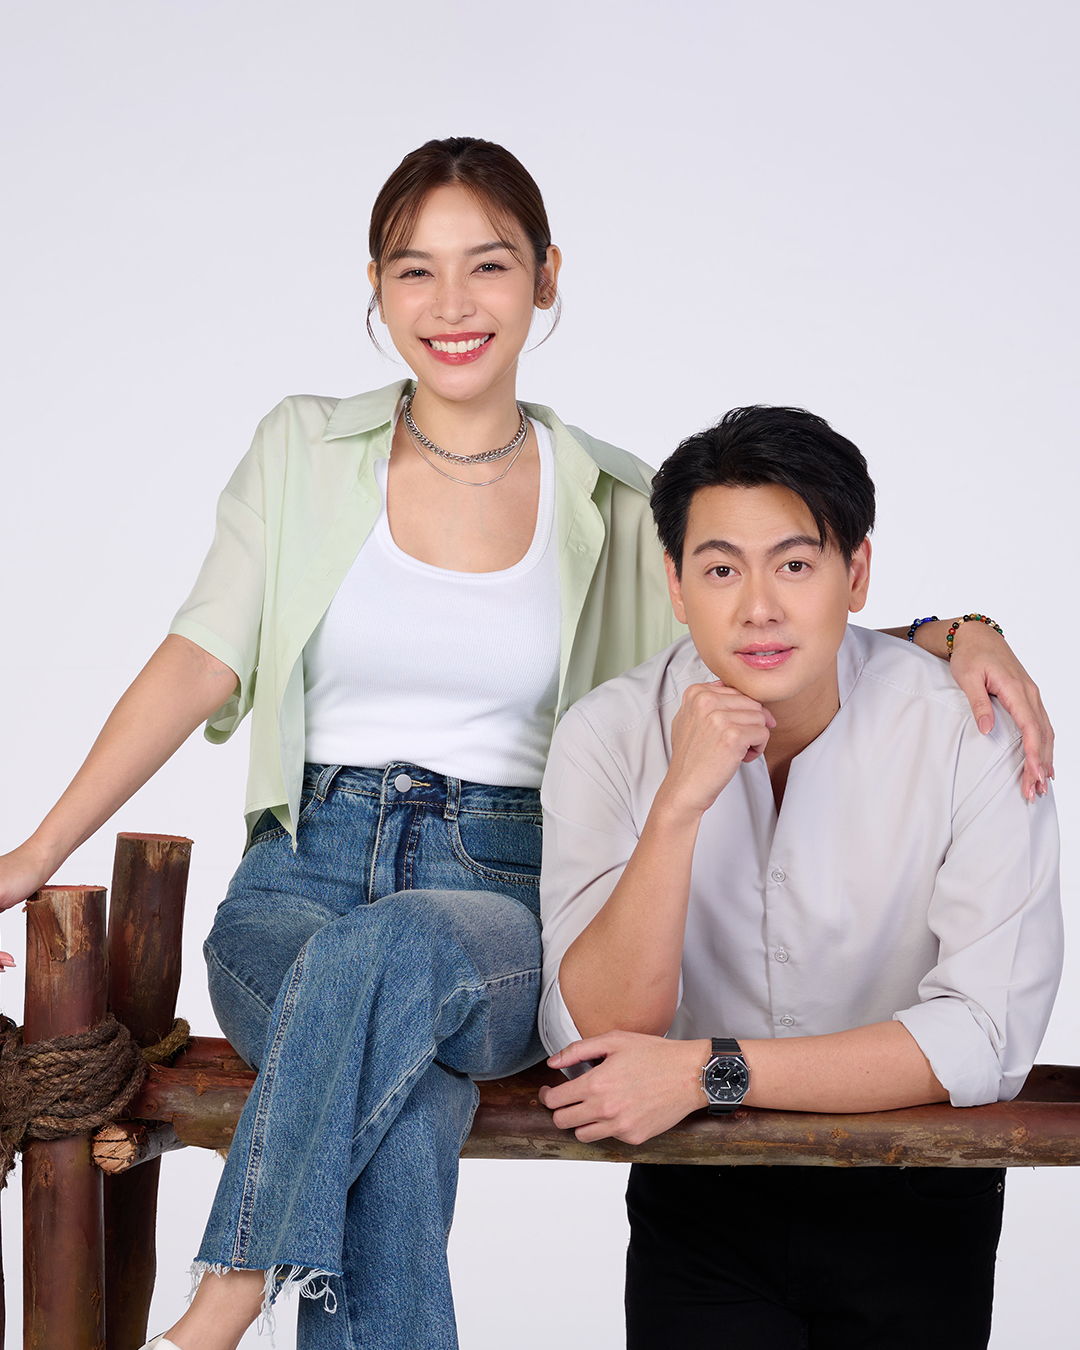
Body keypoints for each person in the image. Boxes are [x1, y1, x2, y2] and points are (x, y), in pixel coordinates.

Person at [0, 139, 1053, 1350]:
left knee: (394, 963)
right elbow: (200, 656)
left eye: (489, 266)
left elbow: (770, 614)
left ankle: (227, 1296)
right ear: (376, 286)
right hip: (300, 882)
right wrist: (34, 852)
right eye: (415, 270)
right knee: (394, 1086)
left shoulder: (616, 499)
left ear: (546, 277)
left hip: (495, 895)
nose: (452, 305)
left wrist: (953, 632)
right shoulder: (301, 451)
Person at [537, 405, 1062, 1350]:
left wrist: (709, 1071)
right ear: (675, 584)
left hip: (917, 1193)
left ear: (856, 575)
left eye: (794, 565)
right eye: (720, 569)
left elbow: (985, 1037)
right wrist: (678, 807)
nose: (758, 608)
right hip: (700, 1200)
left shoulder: (970, 730)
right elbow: (598, 1034)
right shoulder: (607, 735)